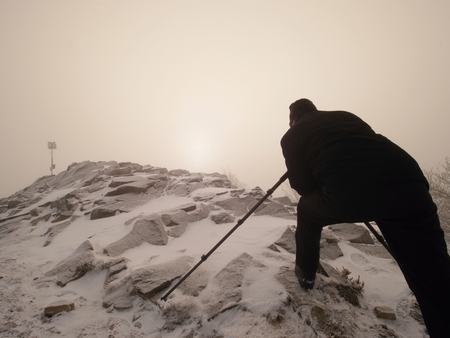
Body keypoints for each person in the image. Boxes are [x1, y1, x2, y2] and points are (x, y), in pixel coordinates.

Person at [280, 98, 450, 338]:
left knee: (307, 211)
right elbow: (365, 149)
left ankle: (305, 273)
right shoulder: (345, 116)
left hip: (351, 193)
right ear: (315, 110)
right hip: (409, 181)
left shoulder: (292, 135)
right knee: (434, 273)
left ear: (293, 120)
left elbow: (302, 186)